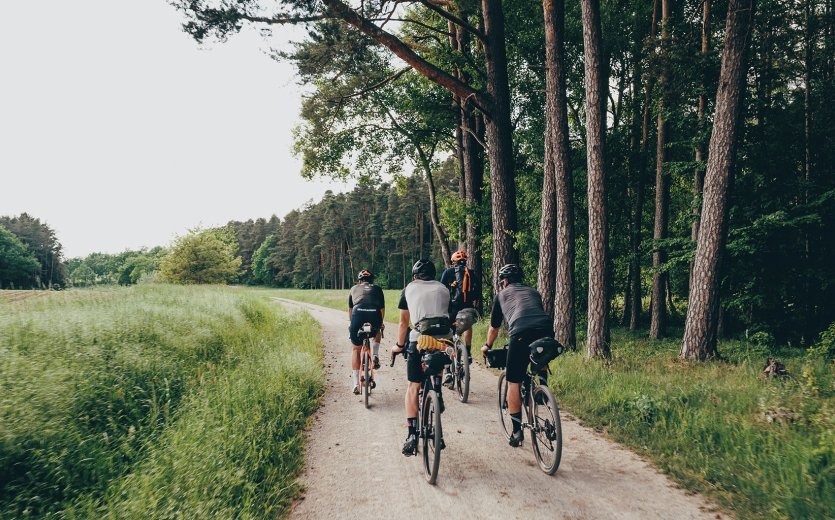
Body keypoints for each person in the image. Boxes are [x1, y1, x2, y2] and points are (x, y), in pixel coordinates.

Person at [481, 264, 554, 448]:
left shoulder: (501, 295)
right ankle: (541, 387)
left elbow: (494, 328)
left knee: (514, 381)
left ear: (504, 281)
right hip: (546, 329)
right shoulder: (533, 292)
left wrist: (487, 346)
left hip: (521, 333)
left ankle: (516, 431)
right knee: (540, 355)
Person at [391, 259, 452, 456]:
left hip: (419, 339)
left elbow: (403, 322)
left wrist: (399, 346)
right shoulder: (443, 288)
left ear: (415, 275)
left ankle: (411, 435)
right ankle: (437, 393)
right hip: (444, 340)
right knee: (437, 363)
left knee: (413, 386)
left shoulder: (409, 288)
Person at [440, 250, 480, 367]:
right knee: (468, 326)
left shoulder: (448, 272)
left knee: (448, 333)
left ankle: (448, 368)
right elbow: (477, 292)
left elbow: (441, 289)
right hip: (468, 307)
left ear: (453, 262)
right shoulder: (471, 273)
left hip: (452, 308)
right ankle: (467, 351)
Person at [348, 269, 385, 395]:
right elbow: (382, 309)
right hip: (374, 314)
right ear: (371, 280)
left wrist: (351, 324)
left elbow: (350, 310)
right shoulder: (378, 289)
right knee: (377, 330)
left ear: (360, 280)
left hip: (357, 314)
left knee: (356, 349)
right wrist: (380, 324)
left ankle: (356, 384)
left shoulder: (353, 288)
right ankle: (374, 355)